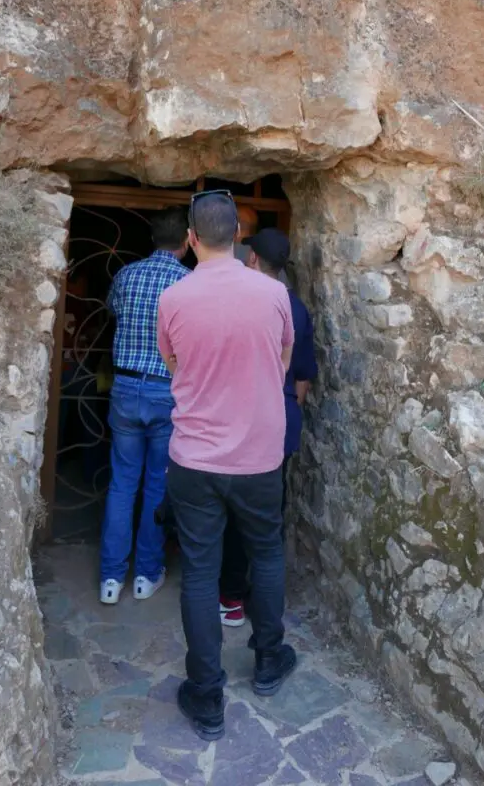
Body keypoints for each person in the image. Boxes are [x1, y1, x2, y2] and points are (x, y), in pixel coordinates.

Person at [157, 189, 297, 742]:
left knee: (199, 570)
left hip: (194, 457)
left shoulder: (174, 296)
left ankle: (207, 694)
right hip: (260, 454)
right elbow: (284, 359)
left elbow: (173, 362)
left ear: (191, 240)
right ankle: (267, 660)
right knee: (265, 553)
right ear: (238, 234)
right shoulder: (273, 293)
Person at [219, 228, 317, 628]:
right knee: (268, 518)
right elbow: (304, 376)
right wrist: (287, 409)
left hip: (239, 422)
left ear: (254, 259)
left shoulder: (236, 301)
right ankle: (265, 607)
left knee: (229, 514)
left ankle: (230, 599)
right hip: (279, 424)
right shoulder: (297, 308)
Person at [99, 207, 190, 605]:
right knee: (157, 484)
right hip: (166, 391)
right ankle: (146, 575)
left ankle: (110, 579)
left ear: (152, 240)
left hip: (124, 387)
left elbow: (112, 312)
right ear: (187, 242)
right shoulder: (188, 283)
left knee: (121, 484)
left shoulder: (126, 275)